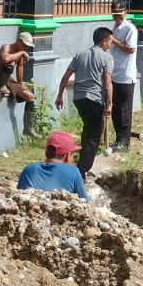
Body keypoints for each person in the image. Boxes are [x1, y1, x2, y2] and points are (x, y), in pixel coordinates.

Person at [56, 28, 114, 175]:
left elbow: (65, 77)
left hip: (79, 99)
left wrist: (60, 95)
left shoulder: (80, 55)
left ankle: (80, 161)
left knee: (88, 130)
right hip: (95, 99)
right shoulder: (107, 58)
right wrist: (110, 104)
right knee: (94, 135)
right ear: (104, 41)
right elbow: (107, 83)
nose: (110, 45)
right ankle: (81, 170)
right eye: (110, 42)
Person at [17, 131, 91, 201]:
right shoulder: (73, 172)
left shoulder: (29, 169)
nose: (73, 159)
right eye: (73, 155)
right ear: (67, 155)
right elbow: (84, 200)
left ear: (46, 152)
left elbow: (19, 195)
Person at [108, 3, 139, 152]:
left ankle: (125, 142)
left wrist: (114, 41)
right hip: (115, 73)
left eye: (120, 15)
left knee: (124, 110)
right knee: (115, 108)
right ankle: (118, 138)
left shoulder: (130, 29)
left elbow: (131, 49)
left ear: (125, 13)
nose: (117, 18)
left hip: (126, 75)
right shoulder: (114, 28)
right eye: (115, 15)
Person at [0, 31, 35, 102]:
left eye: (27, 46)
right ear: (19, 41)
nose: (26, 48)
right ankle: (1, 86)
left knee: (30, 97)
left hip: (7, 80)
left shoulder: (20, 53)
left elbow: (20, 67)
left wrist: (20, 84)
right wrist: (22, 53)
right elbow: (6, 59)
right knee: (11, 63)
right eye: (25, 45)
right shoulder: (6, 47)